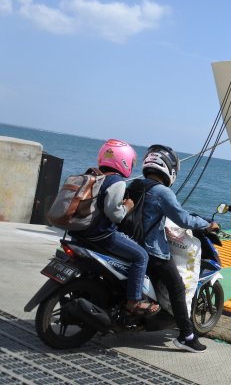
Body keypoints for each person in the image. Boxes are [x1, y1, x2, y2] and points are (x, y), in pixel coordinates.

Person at [139, 144, 219, 353]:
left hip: (132, 244)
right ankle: (187, 336)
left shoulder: (136, 186)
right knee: (177, 288)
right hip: (152, 249)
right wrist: (207, 224)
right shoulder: (162, 192)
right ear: (169, 168)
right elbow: (182, 218)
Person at [72, 139, 160, 316]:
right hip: (101, 235)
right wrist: (128, 206)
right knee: (141, 256)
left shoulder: (92, 176)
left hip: (79, 233)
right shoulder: (116, 181)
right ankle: (133, 302)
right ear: (124, 161)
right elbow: (115, 215)